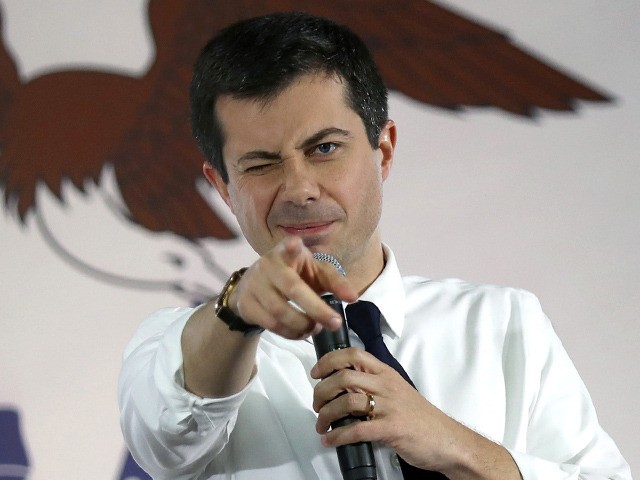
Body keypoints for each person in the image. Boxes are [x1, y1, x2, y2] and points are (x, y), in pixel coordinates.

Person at [118, 12, 631, 480]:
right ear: (223, 187)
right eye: (260, 163)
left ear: (382, 150)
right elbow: (166, 442)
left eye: (324, 149)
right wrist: (236, 312)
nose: (299, 189)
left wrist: (455, 445)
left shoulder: (503, 323)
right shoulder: (180, 347)